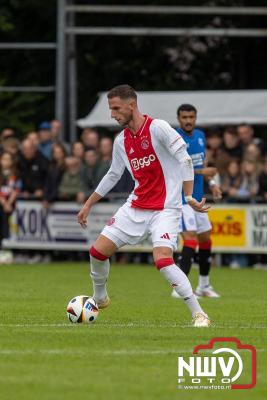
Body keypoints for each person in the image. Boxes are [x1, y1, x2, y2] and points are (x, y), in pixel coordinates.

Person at [77, 84, 211, 327]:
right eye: (111, 109)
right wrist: (88, 204)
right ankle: (99, 296)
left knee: (162, 260)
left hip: (165, 209)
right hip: (136, 206)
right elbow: (112, 175)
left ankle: (199, 313)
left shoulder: (158, 128)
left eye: (116, 108)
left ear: (131, 106)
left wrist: (188, 195)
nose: (113, 114)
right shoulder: (121, 141)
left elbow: (184, 159)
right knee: (97, 252)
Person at [171, 104, 222, 299]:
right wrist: (202, 172)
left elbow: (203, 164)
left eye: (191, 117)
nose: (188, 120)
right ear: (179, 118)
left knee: (206, 239)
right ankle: (179, 288)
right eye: (184, 117)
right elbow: (176, 169)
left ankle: (204, 286)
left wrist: (212, 182)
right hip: (183, 199)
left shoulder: (200, 135)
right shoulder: (174, 138)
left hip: (198, 197)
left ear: (195, 118)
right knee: (190, 239)